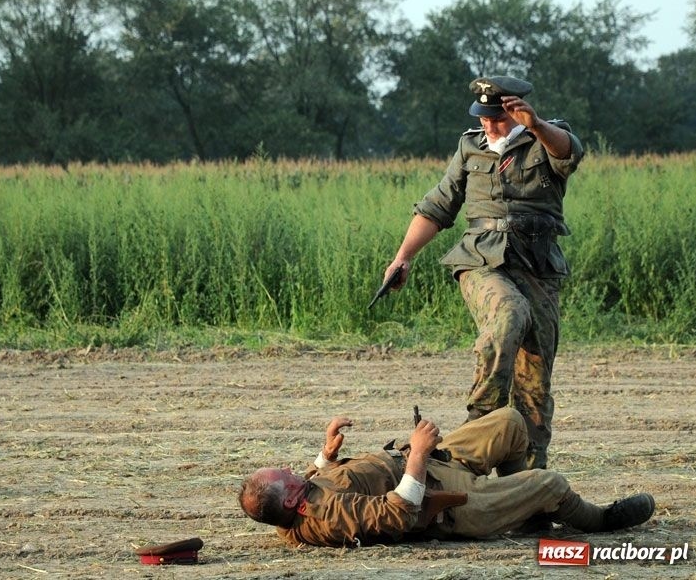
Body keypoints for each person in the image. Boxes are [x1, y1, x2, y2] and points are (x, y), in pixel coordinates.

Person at [381, 76, 584, 470]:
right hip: (481, 261)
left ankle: (524, 482)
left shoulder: (546, 138)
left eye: (499, 119)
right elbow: (437, 208)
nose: (490, 127)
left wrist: (537, 125)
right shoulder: (470, 146)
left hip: (538, 266)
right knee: (509, 315)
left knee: (534, 383)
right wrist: (403, 257)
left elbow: (569, 154)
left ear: (517, 111)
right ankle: (478, 429)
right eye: (485, 119)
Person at [238, 408, 655, 548]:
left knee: (509, 422)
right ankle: (599, 520)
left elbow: (316, 481)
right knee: (550, 483)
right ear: (294, 503)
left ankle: (528, 514)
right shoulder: (327, 518)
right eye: (289, 477)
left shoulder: (289, 505)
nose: (295, 472)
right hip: (449, 503)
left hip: (432, 467)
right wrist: (417, 452)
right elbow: (397, 515)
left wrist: (325, 455)